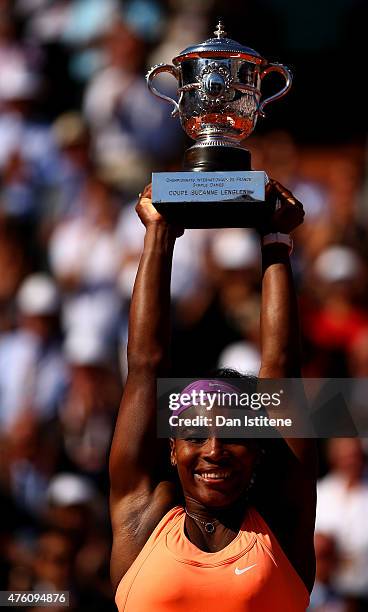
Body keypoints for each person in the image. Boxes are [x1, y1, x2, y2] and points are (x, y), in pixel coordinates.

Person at [109, 181, 317, 611]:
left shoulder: (280, 525)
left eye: (235, 435)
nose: (215, 450)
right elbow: (146, 364)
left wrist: (276, 241)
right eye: (196, 435)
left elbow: (281, 372)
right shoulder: (140, 520)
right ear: (172, 449)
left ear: (259, 448)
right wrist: (158, 232)